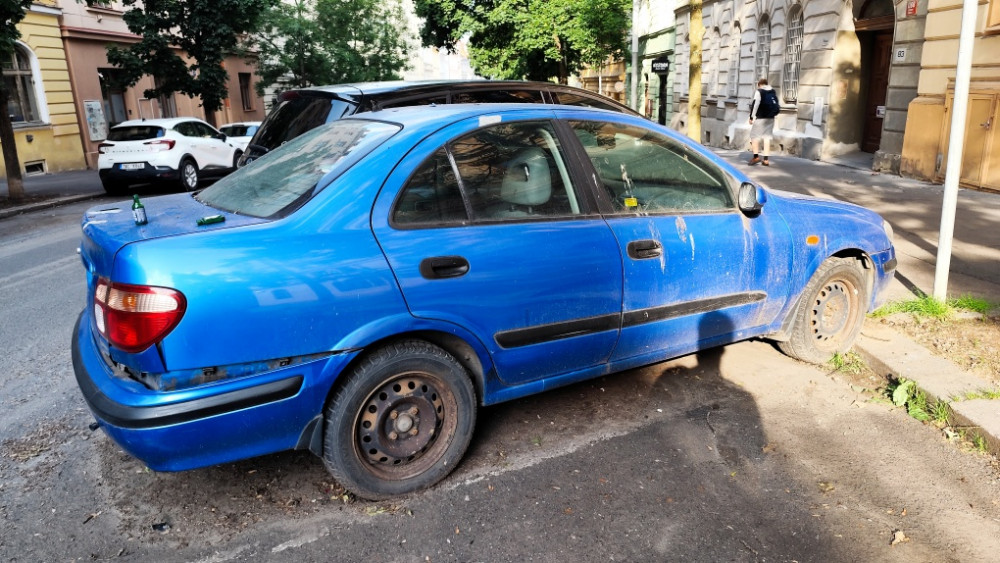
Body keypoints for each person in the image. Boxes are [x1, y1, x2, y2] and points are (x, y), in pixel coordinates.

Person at [748, 78, 778, 166]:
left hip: (761, 117)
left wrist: (751, 117)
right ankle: (766, 160)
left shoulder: (759, 92)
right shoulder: (772, 91)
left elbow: (755, 104)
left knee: (754, 136)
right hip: (771, 118)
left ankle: (756, 157)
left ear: (759, 85)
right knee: (767, 137)